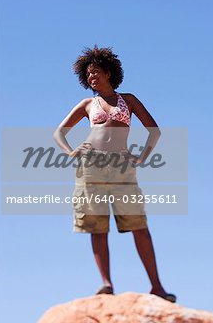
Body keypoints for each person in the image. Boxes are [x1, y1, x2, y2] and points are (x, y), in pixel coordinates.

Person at [53, 44, 176, 302]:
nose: (91, 77)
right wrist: (71, 152)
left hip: (122, 167)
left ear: (108, 72)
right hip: (91, 167)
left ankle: (157, 287)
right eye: (88, 74)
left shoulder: (128, 100)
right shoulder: (88, 104)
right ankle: (106, 284)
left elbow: (154, 130)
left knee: (139, 226)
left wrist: (142, 157)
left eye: (96, 71)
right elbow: (59, 132)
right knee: (97, 227)